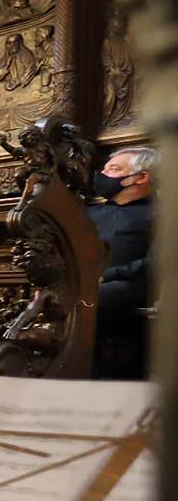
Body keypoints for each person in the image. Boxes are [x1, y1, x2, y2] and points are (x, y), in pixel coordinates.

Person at [90, 145, 155, 378]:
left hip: (135, 284)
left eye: (114, 169)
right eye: (104, 169)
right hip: (86, 283)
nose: (103, 175)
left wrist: (105, 277)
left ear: (141, 177)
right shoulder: (90, 213)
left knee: (96, 298)